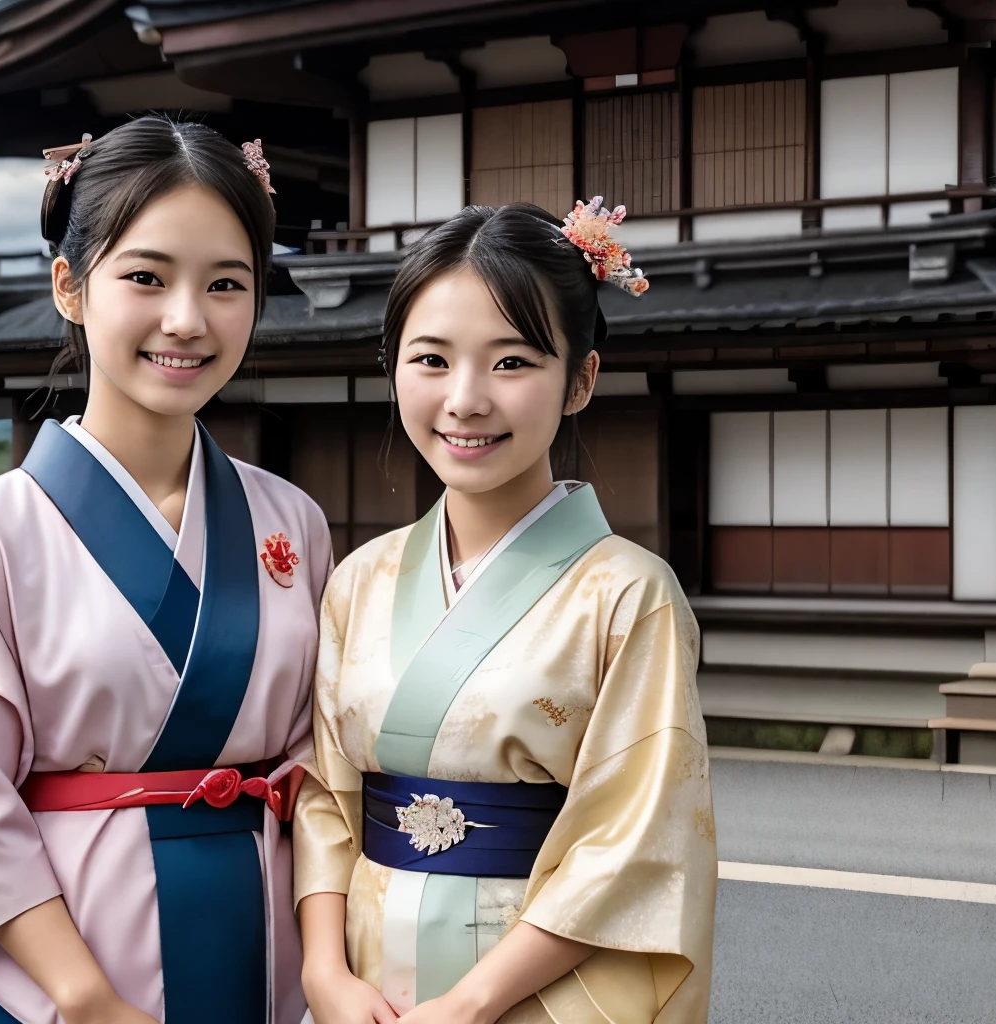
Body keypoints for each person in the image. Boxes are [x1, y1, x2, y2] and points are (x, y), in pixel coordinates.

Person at [0, 115, 331, 1024]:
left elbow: (322, 758)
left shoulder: (289, 520)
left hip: (266, 941)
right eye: (146, 277)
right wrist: (89, 1002)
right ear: (70, 286)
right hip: (72, 962)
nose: (188, 319)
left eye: (227, 283)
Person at [293, 199, 715, 1024]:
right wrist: (322, 973)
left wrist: (474, 1003)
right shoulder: (358, 579)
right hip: (368, 978)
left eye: (512, 362)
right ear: (394, 370)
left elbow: (634, 843)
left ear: (580, 380)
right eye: (430, 359)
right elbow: (324, 797)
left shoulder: (629, 593)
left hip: (537, 989)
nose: (466, 399)